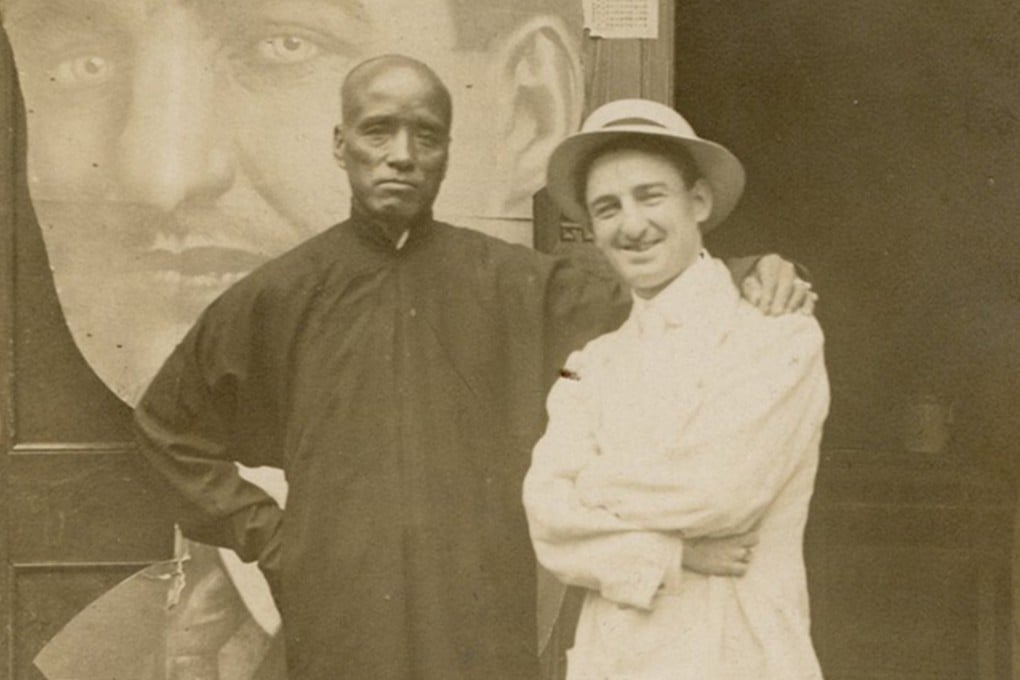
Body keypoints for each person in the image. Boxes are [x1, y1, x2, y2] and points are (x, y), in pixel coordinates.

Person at [132, 55, 815, 679]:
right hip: (340, 609)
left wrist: (752, 269)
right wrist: (276, 539)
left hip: (477, 612)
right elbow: (167, 426)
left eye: (426, 136)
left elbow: (648, 289)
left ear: (447, 154)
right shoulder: (281, 293)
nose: (401, 155)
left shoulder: (510, 280)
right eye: (378, 131)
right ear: (341, 145)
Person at [523, 99, 829, 678]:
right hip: (615, 657)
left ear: (699, 203)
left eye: (650, 195)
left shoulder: (777, 332)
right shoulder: (587, 365)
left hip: (737, 651)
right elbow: (545, 514)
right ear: (592, 231)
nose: (632, 225)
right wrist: (670, 552)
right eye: (607, 208)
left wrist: (591, 486)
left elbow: (719, 492)